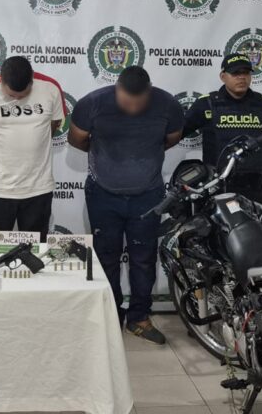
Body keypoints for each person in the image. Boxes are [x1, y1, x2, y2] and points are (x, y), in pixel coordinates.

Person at [68, 66, 184, 345]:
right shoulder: (92, 103)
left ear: (149, 92)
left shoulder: (168, 105)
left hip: (148, 195)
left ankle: (139, 318)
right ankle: (110, 315)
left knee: (143, 258)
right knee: (106, 256)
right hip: (103, 194)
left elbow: (172, 138)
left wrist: (140, 157)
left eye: (138, 101)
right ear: (117, 88)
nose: (132, 107)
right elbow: (77, 138)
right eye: (126, 100)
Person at [0, 56, 66, 240]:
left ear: (32, 80)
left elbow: (52, 126)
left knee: (36, 250)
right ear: (1, 80)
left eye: (24, 94)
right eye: (11, 96)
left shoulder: (51, 88)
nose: (18, 99)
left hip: (38, 189)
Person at [183, 54, 262, 218]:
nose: (242, 77)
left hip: (257, 189)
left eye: (246, 72)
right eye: (236, 73)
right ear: (223, 76)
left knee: (259, 233)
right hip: (218, 188)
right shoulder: (207, 104)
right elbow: (176, 134)